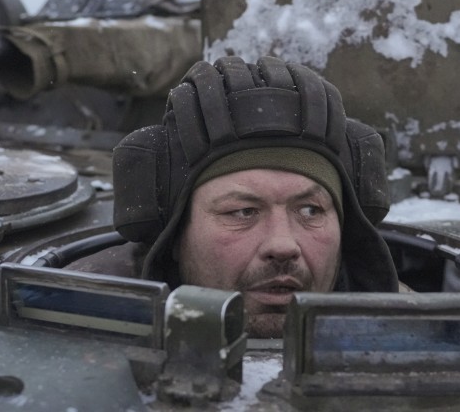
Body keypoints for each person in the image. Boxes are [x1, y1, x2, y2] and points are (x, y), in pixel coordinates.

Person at [111, 55, 401, 338]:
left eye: (310, 210)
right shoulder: (100, 338)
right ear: (175, 236)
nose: (283, 246)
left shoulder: (412, 334)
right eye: (242, 211)